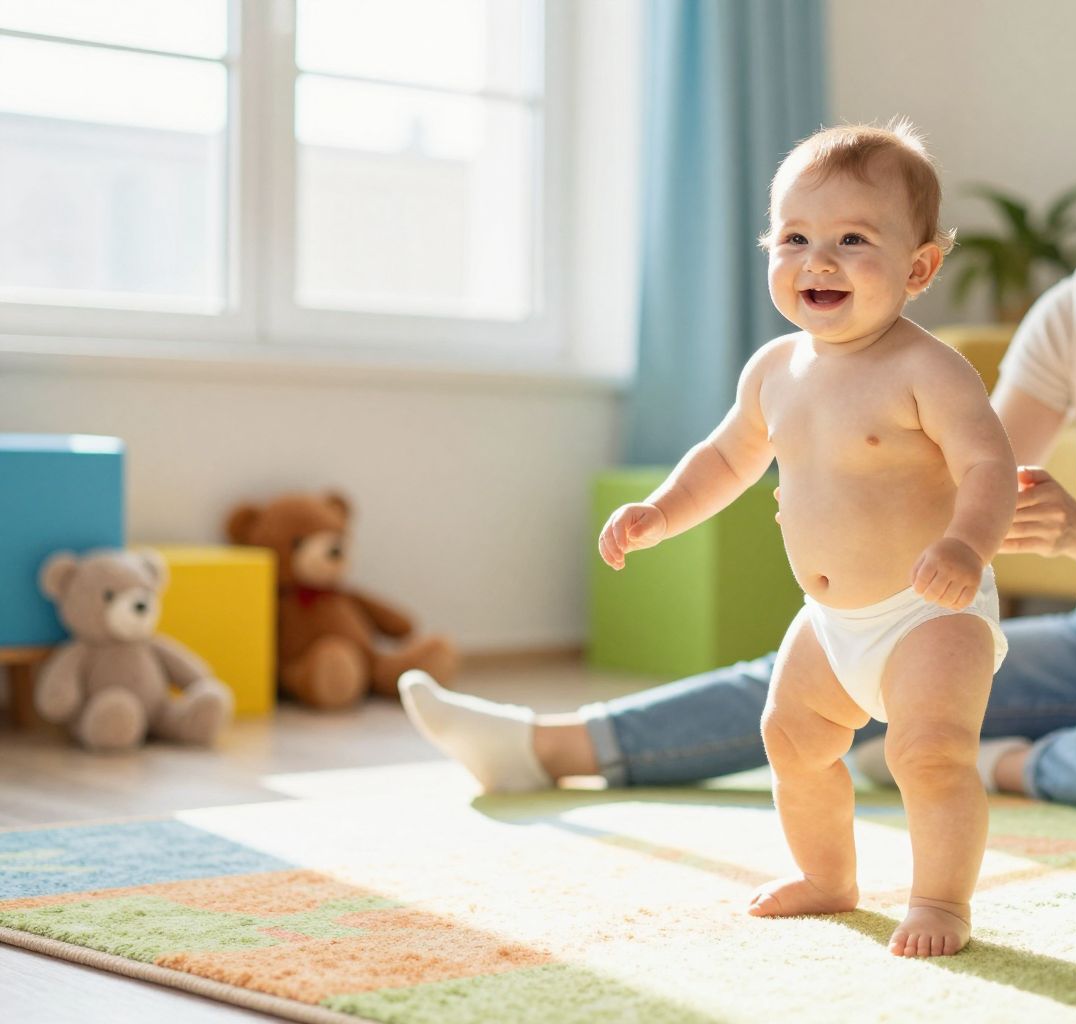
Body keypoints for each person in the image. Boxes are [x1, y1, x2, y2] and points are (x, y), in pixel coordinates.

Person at [403, 55, 1076, 937]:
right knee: (833, 661)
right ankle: (549, 744)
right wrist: (871, 529)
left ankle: (1009, 762)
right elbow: (961, 465)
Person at [411, 121, 1018, 959]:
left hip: (929, 613)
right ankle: (829, 877)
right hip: (831, 622)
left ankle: (941, 900)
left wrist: (964, 547)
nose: (820, 260)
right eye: (796, 238)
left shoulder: (928, 370)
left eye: (853, 240)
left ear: (918, 268)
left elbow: (991, 463)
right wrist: (661, 511)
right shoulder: (775, 369)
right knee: (791, 737)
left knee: (930, 754)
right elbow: (728, 456)